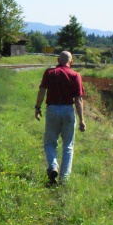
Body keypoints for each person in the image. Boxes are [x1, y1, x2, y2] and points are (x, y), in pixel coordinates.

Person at [34, 51, 86, 184]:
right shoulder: (75, 75)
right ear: (71, 62)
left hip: (52, 110)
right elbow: (78, 100)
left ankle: (52, 165)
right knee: (68, 145)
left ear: (58, 60)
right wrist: (81, 120)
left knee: (50, 143)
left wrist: (37, 107)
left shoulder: (49, 73)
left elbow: (42, 91)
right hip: (68, 110)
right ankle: (64, 179)